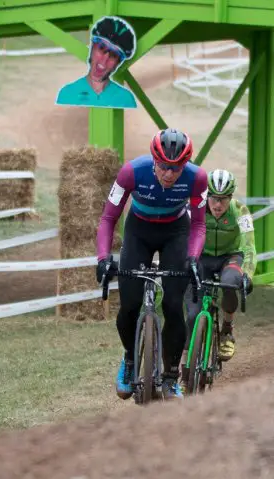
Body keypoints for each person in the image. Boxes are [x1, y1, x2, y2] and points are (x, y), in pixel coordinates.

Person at [96, 128, 207, 400]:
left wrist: (193, 257)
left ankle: (170, 375)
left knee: (173, 305)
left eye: (176, 168)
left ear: (185, 165)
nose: (169, 174)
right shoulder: (131, 173)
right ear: (153, 161)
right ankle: (130, 361)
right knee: (129, 306)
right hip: (139, 232)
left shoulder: (197, 178)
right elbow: (108, 218)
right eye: (163, 167)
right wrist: (103, 258)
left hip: (176, 233)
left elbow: (199, 224)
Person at [184, 169, 256, 369]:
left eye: (223, 199)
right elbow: (181, 237)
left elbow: (249, 246)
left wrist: (248, 275)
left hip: (230, 256)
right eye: (213, 198)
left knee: (231, 281)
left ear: (231, 198)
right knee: (192, 314)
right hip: (202, 256)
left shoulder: (240, 211)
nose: (217, 204)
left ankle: (227, 330)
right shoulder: (194, 207)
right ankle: (185, 368)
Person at [56, 16, 138, 109]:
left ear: (118, 63)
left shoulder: (126, 99)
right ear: (92, 48)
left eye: (114, 55)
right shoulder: (67, 94)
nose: (104, 60)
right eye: (102, 48)